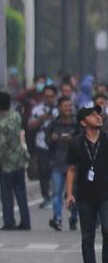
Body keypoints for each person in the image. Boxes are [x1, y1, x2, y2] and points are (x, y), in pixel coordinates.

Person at [65, 106, 108, 263]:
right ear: (83, 122)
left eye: (98, 114)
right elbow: (72, 169)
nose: (97, 117)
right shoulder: (76, 143)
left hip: (106, 193)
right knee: (87, 237)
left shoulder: (106, 140)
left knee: (107, 230)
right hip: (84, 195)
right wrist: (69, 194)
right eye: (92, 115)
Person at [0, 92, 32, 231]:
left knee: (7, 194)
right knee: (21, 192)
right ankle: (25, 221)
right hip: (19, 160)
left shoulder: (2, 124)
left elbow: (1, 146)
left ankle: (9, 221)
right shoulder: (16, 116)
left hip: (6, 164)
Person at [45, 95, 80, 231]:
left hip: (73, 165)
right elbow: (47, 141)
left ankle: (73, 218)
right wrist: (52, 139)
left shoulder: (77, 124)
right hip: (57, 164)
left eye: (70, 106)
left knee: (74, 193)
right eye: (65, 106)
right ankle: (57, 218)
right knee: (57, 192)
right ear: (59, 107)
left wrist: (73, 139)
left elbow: (82, 140)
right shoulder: (54, 124)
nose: (68, 108)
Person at [28, 85, 58, 208]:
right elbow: (30, 126)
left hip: (57, 145)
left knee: (56, 172)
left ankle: (57, 196)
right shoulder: (37, 110)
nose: (49, 99)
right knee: (43, 172)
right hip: (41, 143)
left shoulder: (60, 109)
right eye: (47, 96)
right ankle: (46, 196)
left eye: (51, 96)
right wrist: (41, 119)